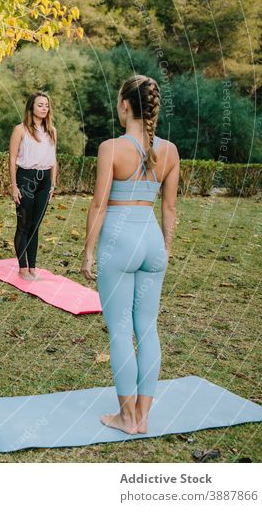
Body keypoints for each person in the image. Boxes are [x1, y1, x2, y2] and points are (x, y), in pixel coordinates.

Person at [81, 75, 180, 434]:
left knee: (121, 331)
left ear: (125, 106)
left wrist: (88, 251)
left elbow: (99, 205)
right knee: (148, 329)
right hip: (152, 241)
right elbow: (169, 209)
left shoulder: (111, 148)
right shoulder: (169, 151)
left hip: (119, 243)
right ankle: (143, 416)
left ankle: (126, 418)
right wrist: (165, 249)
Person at [8, 92, 58, 281]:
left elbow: (54, 159)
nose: (44, 108)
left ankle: (33, 267)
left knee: (35, 225)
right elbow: (12, 158)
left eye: (46, 105)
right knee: (24, 224)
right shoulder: (20, 130)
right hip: (26, 178)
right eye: (40, 105)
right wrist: (14, 186)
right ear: (31, 108)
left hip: (44, 180)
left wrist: (52, 183)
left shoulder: (52, 130)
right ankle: (22, 268)